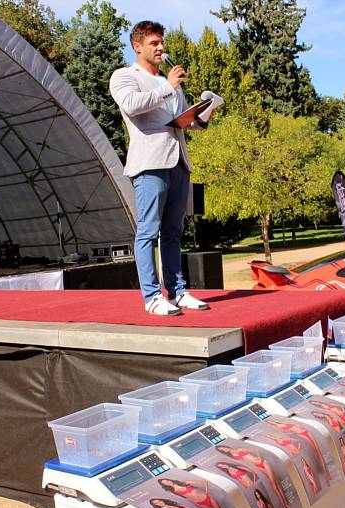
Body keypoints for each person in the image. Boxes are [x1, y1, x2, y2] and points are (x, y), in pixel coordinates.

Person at [110, 21, 213, 316]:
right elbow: (131, 105)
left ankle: (178, 292)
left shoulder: (171, 84)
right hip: (150, 162)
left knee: (173, 231)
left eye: (161, 42)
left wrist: (201, 117)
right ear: (137, 46)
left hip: (178, 160)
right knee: (148, 231)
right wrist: (168, 87)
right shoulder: (124, 76)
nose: (160, 48)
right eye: (154, 42)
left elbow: (180, 121)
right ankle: (152, 296)